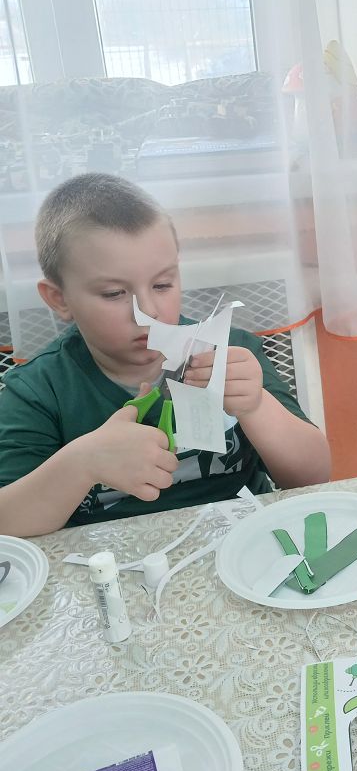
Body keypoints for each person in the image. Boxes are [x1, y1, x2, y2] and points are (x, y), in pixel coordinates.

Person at [0, 174, 331, 537]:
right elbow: (7, 525)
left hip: (245, 541)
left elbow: (314, 475)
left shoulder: (230, 353)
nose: (148, 312)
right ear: (59, 299)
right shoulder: (38, 390)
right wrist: (81, 464)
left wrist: (256, 406)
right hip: (109, 557)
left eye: (162, 285)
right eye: (114, 293)